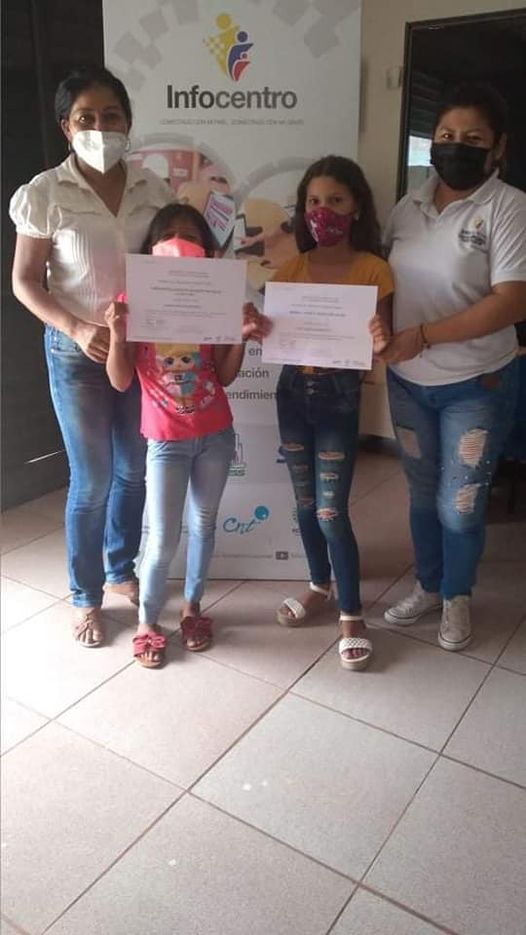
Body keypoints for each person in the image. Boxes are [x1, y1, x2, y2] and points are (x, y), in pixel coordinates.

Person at [9, 66, 175, 648]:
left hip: (141, 352)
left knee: (133, 470)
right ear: (66, 126)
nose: (100, 128)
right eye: (86, 118)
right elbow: (25, 282)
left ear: (128, 122)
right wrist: (78, 328)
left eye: (111, 117)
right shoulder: (44, 193)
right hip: (76, 352)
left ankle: (120, 567)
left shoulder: (155, 191)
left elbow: (173, 267)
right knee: (93, 479)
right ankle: (85, 595)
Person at [375, 82, 526, 651]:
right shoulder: (408, 205)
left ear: (498, 147)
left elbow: (513, 301)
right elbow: (382, 279)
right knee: (420, 494)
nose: (456, 146)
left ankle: (457, 595)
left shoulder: (508, 207)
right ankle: (429, 586)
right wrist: (379, 328)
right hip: (408, 384)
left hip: (476, 384)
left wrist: (422, 337)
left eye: (472, 138)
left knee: (459, 505)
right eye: (445, 135)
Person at [105, 203, 271, 668]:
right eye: (168, 234)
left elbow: (225, 376)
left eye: (190, 235)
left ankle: (193, 608)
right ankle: (147, 622)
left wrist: (240, 336)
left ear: (207, 250)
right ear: (150, 248)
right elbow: (120, 380)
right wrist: (117, 332)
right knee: (161, 540)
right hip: (165, 442)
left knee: (203, 525)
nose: (179, 241)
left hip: (216, 434)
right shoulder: (132, 301)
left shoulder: (215, 301)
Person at [272, 155, 394, 671]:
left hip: (338, 397)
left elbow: (382, 345)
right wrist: (258, 325)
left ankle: (352, 613)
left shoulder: (373, 269)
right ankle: (319, 585)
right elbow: (279, 332)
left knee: (330, 511)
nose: (324, 211)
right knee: (304, 505)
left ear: (356, 207)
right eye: (314, 201)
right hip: (292, 393)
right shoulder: (291, 268)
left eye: (336, 201)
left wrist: (381, 340)